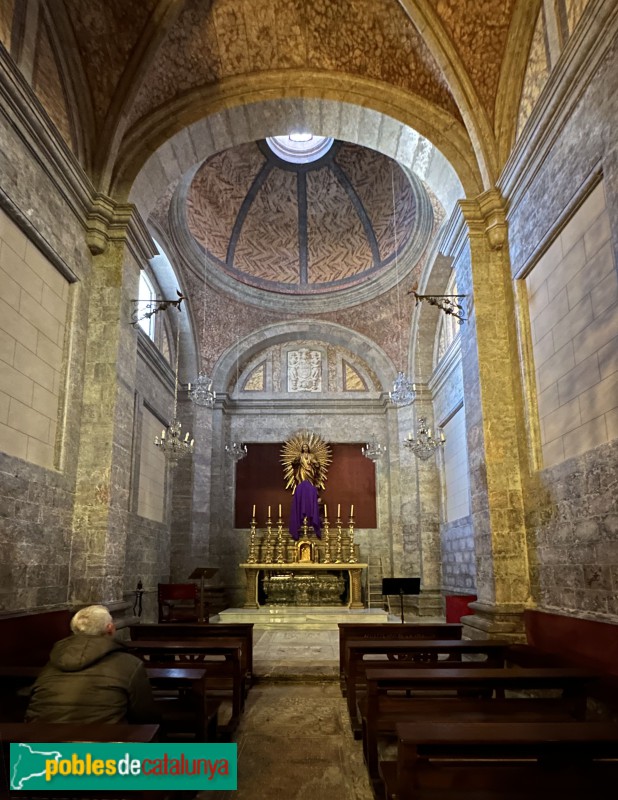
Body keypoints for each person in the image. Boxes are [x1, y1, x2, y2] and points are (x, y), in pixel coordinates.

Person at [25, 605, 158, 724]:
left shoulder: (52, 664)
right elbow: (144, 716)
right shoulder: (129, 664)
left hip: (41, 747)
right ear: (110, 629)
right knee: (170, 751)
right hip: (102, 748)